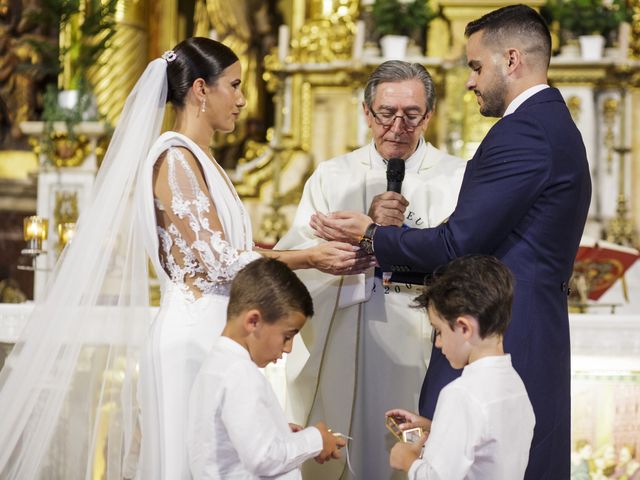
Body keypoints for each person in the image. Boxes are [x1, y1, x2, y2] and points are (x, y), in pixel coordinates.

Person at [0, 37, 370, 480]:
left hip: (217, 326)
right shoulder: (175, 158)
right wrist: (310, 256)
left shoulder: (200, 158)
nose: (241, 99)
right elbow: (217, 262)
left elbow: (221, 250)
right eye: (233, 86)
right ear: (200, 89)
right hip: (194, 334)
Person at [309, 5, 592, 479]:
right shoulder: (551, 125)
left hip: (505, 329)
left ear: (513, 59)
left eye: (476, 66)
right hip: (526, 322)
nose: (470, 81)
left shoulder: (525, 132)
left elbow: (458, 243)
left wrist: (372, 235)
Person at [276, 60, 466, 480]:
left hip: (422, 342)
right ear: (366, 112)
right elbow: (296, 264)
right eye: (386, 113)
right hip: (345, 333)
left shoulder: (457, 177)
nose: (398, 125)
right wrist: (360, 231)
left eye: (412, 114)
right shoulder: (332, 176)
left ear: (429, 115)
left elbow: (467, 261)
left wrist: (398, 234)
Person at [188, 257, 346, 479]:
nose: (288, 348)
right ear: (253, 321)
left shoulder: (217, 364)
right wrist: (316, 439)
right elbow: (263, 458)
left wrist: (279, 431)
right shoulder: (240, 373)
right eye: (287, 336)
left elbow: (232, 438)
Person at [387, 255, 535, 479]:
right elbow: (487, 444)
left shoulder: (460, 394)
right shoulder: (514, 383)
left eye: (439, 331)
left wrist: (406, 460)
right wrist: (433, 428)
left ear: (464, 328)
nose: (437, 342)